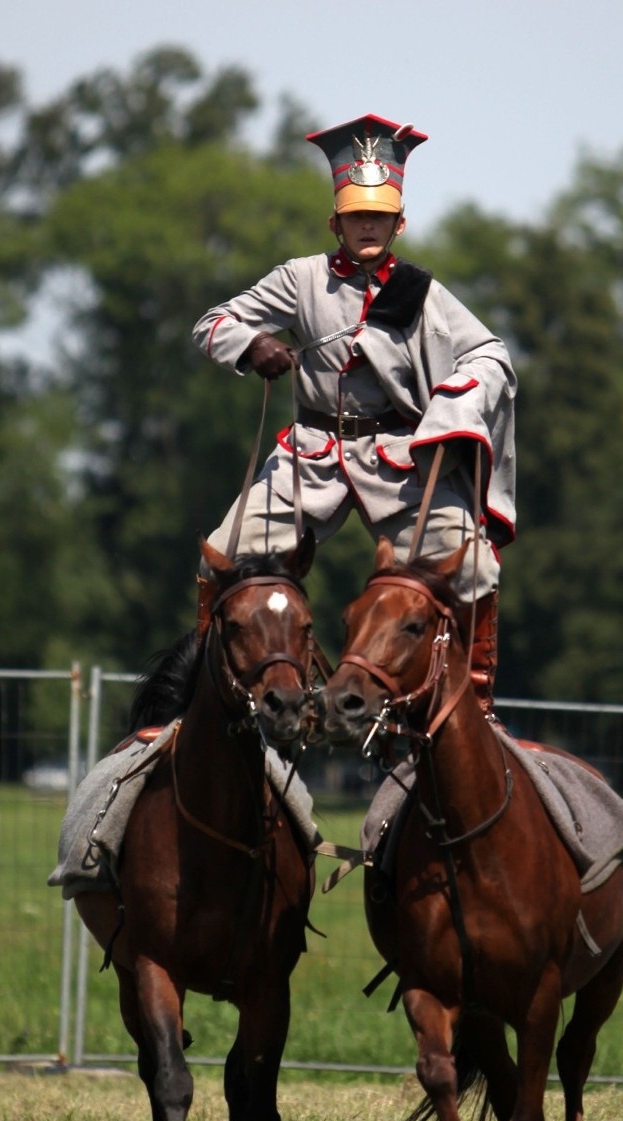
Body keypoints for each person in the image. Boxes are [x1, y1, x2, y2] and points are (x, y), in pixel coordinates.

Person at [193, 114, 517, 717]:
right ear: (335, 222)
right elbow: (212, 323)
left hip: (400, 465)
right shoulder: (301, 278)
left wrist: (454, 398)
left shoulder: (423, 293)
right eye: (356, 217)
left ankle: (475, 707)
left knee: (474, 565)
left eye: (379, 218)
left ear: (399, 224)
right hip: (309, 458)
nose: (367, 227)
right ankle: (208, 703)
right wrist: (251, 346)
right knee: (220, 553)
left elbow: (491, 353)